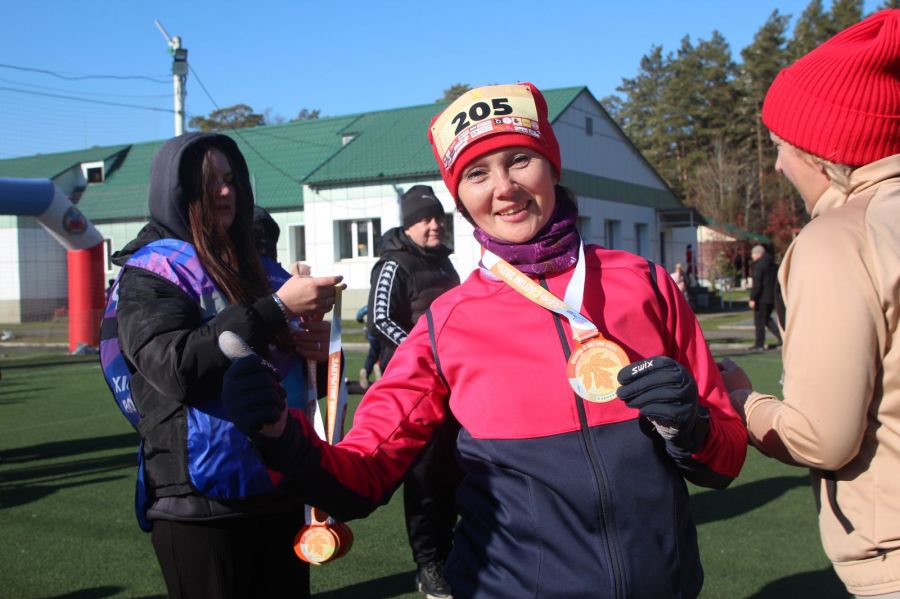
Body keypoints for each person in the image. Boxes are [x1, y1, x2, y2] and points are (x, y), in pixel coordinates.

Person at [222, 82, 747, 598]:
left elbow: (725, 460)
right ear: (461, 200)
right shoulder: (447, 323)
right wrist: (280, 435)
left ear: (552, 167)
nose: (505, 187)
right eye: (477, 173)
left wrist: (690, 428)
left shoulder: (646, 283)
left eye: (520, 160)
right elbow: (363, 474)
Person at [110, 132, 341, 599]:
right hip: (198, 501)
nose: (224, 191)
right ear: (176, 192)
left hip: (279, 485)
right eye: (208, 182)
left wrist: (316, 353)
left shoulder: (258, 265)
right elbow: (175, 367)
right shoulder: (151, 272)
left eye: (231, 179)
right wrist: (276, 308)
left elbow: (294, 375)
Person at [719, 11, 900, 598]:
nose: (777, 164)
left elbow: (822, 437)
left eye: (781, 146)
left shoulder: (841, 239)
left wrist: (743, 400)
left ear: (823, 153)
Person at [366, 184, 461, 597]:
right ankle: (428, 564)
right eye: (425, 219)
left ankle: (450, 552)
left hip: (455, 386)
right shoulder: (393, 264)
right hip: (415, 390)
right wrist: (426, 354)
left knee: (455, 472)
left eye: (438, 217)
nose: (434, 225)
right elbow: (380, 320)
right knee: (424, 477)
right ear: (408, 225)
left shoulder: (445, 264)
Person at [748, 244, 783, 350]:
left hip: (761, 298)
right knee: (767, 319)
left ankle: (759, 343)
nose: (752, 256)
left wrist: (753, 298)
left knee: (759, 321)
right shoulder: (773, 265)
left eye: (753, 254)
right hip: (771, 297)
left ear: (758, 254)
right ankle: (781, 338)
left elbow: (757, 283)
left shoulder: (759, 266)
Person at [354, 305, 382, 390]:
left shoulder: (370, 306)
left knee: (372, 355)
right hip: (382, 334)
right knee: (384, 354)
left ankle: (366, 370)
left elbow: (359, 314)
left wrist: (361, 320)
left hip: (371, 334)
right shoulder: (384, 306)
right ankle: (379, 367)